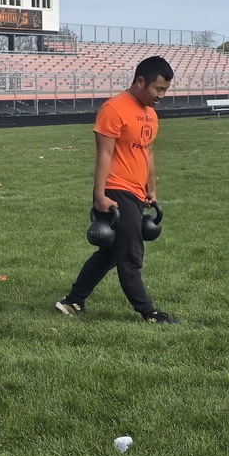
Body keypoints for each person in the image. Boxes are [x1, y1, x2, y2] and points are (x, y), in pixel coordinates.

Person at [56, 55, 178, 324]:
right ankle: (149, 313)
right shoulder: (114, 109)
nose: (161, 95)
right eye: (158, 89)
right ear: (140, 81)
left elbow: (146, 152)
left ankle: (73, 301)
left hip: (136, 192)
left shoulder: (151, 115)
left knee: (111, 253)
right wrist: (100, 195)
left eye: (165, 90)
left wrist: (151, 188)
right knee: (131, 256)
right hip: (115, 191)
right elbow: (104, 156)